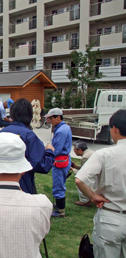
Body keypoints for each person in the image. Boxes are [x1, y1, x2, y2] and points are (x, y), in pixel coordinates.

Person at [76, 109, 126, 258]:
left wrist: (92, 196)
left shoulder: (104, 154)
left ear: (114, 129)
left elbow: (80, 179)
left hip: (111, 216)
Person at [0, 98, 55, 194]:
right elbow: (42, 165)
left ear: (12, 114)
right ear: (30, 115)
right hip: (21, 183)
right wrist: (49, 151)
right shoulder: (29, 136)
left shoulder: (1, 133)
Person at [44, 108, 72, 217]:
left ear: (58, 117)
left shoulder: (61, 131)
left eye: (51, 118)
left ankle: (60, 211)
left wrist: (47, 150)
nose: (49, 120)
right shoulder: (65, 127)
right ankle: (59, 204)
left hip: (60, 161)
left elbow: (56, 149)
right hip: (64, 159)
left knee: (58, 186)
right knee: (60, 183)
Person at [71, 141, 94, 207]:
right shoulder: (90, 152)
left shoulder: (85, 157)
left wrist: (73, 169)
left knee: (80, 180)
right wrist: (76, 166)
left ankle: (85, 201)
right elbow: (86, 167)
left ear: (80, 150)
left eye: (74, 149)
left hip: (95, 177)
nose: (74, 151)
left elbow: (84, 173)